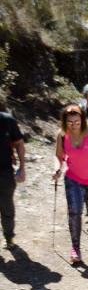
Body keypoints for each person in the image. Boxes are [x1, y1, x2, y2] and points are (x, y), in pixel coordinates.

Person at [52, 104, 88, 263]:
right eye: (70, 122)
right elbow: (58, 156)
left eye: (77, 122)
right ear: (65, 122)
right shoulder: (62, 135)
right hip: (73, 178)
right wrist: (57, 169)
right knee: (75, 212)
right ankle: (75, 248)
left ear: (82, 120)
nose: (74, 125)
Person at [0, 105, 25, 249]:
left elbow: (19, 143)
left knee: (6, 206)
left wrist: (22, 167)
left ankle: (9, 238)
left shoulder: (7, 120)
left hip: (5, 173)